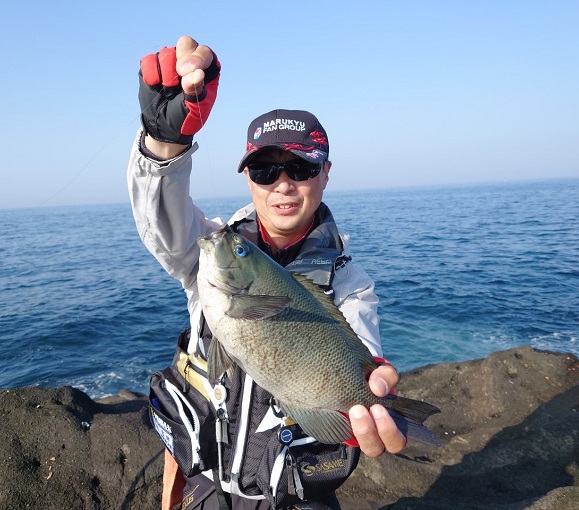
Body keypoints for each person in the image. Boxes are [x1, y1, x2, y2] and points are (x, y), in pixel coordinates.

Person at [128, 35, 406, 510]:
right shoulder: (212, 250)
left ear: (326, 172)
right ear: (247, 178)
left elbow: (359, 353)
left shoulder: (349, 283)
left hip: (290, 498)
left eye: (300, 168)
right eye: (264, 171)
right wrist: (164, 139)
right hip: (203, 487)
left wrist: (369, 396)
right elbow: (161, 219)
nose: (283, 185)